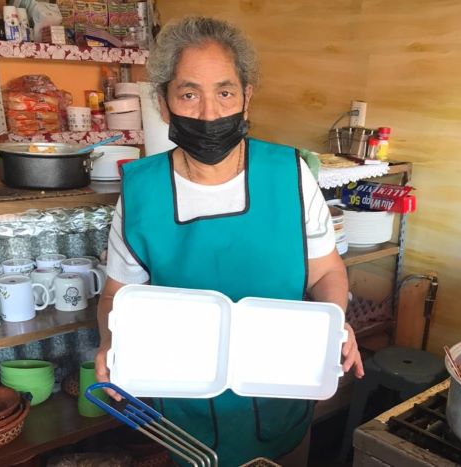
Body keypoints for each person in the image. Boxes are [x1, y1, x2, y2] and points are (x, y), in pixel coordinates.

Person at [95, 16, 364, 467]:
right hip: (183, 409)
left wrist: (331, 326)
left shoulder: (289, 175)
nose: (209, 113)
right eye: (188, 94)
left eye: (224, 93)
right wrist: (110, 341)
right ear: (163, 103)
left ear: (246, 96)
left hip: (282, 391)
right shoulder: (143, 191)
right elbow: (115, 296)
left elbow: (326, 272)